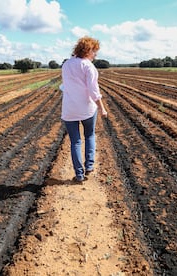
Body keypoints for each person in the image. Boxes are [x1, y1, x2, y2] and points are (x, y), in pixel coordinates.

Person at [60, 36, 108, 182]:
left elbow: (65, 85)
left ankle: (79, 175)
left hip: (69, 109)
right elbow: (94, 91)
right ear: (88, 50)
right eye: (94, 51)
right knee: (90, 136)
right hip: (87, 108)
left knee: (75, 141)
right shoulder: (89, 67)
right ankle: (89, 166)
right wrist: (102, 108)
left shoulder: (66, 64)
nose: (95, 55)